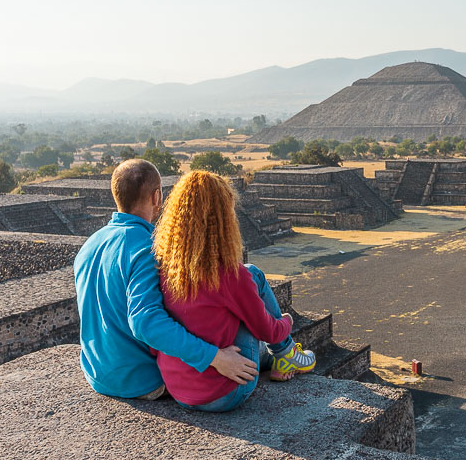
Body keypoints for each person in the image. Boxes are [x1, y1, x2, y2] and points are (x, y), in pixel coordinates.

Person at [73, 159, 258, 400]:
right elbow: (145, 321)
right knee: (244, 294)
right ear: (156, 196)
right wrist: (216, 358)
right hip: (143, 380)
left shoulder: (90, 245)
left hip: (98, 374)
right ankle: (282, 352)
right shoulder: (146, 247)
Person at [153, 170, 316, 412]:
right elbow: (266, 330)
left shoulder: (166, 270)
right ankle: (286, 352)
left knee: (242, 285)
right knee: (252, 279)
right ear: (223, 219)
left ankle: (280, 356)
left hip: (179, 390)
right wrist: (286, 322)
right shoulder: (230, 276)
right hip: (224, 393)